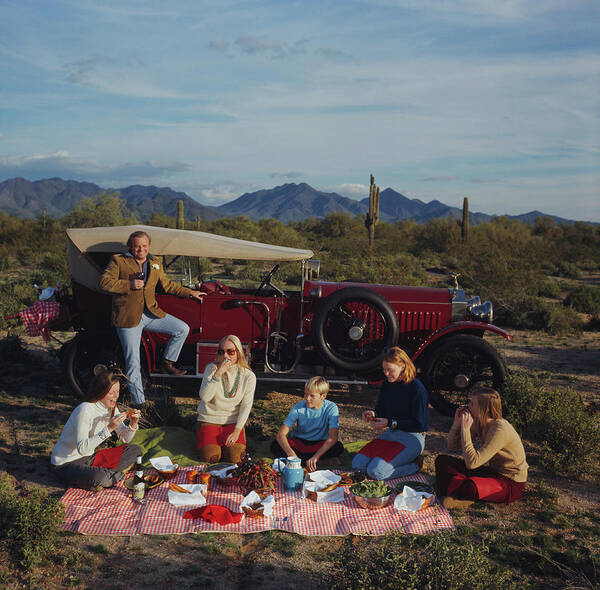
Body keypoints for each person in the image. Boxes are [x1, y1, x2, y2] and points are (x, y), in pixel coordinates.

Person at [99, 230, 204, 406]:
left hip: (150, 313)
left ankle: (167, 363)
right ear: (130, 247)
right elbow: (104, 283)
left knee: (182, 328)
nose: (141, 249)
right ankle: (139, 403)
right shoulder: (119, 261)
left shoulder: (155, 262)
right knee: (133, 363)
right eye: (137, 246)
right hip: (127, 318)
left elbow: (167, 284)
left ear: (149, 246)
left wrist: (190, 292)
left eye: (144, 246)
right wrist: (129, 285)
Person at [435, 387, 528, 509]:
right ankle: (457, 491)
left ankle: (460, 495)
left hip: (510, 482)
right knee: (442, 460)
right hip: (493, 472)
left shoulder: (500, 429)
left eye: (472, 404)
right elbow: (452, 446)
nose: (468, 406)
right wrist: (456, 425)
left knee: (471, 487)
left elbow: (472, 463)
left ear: (484, 409)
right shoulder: (480, 422)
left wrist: (465, 430)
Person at [51, 368, 143, 490]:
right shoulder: (85, 410)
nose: (116, 397)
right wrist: (109, 428)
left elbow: (125, 438)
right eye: (112, 393)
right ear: (101, 392)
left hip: (89, 458)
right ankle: (106, 477)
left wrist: (133, 423)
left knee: (135, 450)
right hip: (66, 463)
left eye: (118, 392)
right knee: (99, 476)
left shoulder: (112, 409)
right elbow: (82, 449)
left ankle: (104, 478)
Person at [352, 347, 428, 480]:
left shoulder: (417, 389)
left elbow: (420, 424)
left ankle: (415, 465)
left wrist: (390, 423)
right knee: (357, 465)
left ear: (403, 366)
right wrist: (373, 414)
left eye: (390, 370)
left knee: (376, 472)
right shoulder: (388, 384)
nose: (386, 374)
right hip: (391, 434)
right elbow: (381, 409)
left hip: (412, 438)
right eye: (384, 369)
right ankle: (395, 462)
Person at [196, 335, 256, 464]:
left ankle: (224, 445)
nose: (226, 356)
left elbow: (246, 406)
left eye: (230, 351)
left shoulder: (248, 376)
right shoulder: (211, 368)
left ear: (239, 353)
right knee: (211, 457)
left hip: (232, 423)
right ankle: (208, 441)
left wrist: (236, 431)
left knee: (236, 459)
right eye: (221, 351)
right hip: (209, 419)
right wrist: (218, 373)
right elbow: (205, 397)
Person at [271, 376, 343, 472]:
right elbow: (281, 434)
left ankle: (306, 461)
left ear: (323, 396)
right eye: (306, 394)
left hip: (320, 444)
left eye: (312, 396)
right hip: (300, 443)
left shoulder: (331, 408)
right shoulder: (298, 407)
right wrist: (291, 454)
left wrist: (316, 456)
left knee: (337, 447)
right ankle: (318, 462)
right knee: (275, 445)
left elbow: (333, 437)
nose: (307, 398)